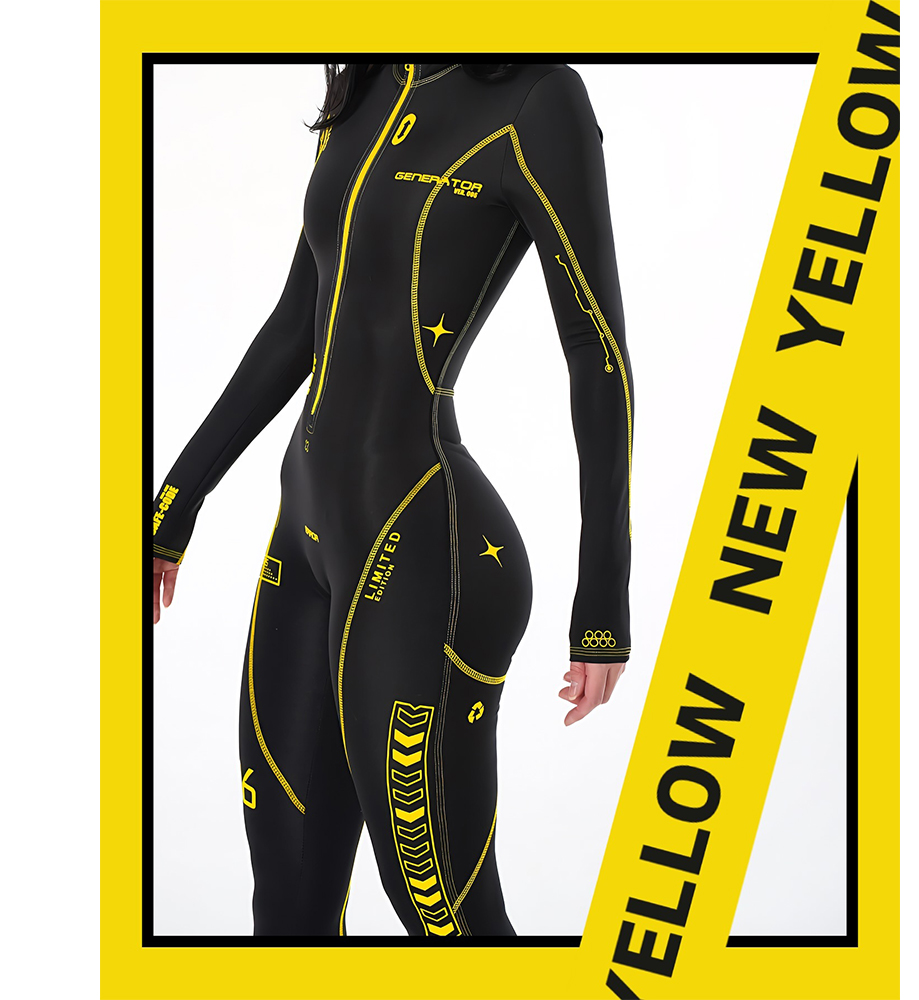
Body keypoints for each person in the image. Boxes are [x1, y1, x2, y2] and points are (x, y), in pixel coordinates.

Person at [152, 61, 633, 937]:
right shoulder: (363, 84)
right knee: (287, 914)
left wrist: (602, 605)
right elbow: (298, 321)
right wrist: (174, 504)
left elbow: (595, 352)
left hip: (425, 551)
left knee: (448, 924)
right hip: (302, 542)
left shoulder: (535, 97)